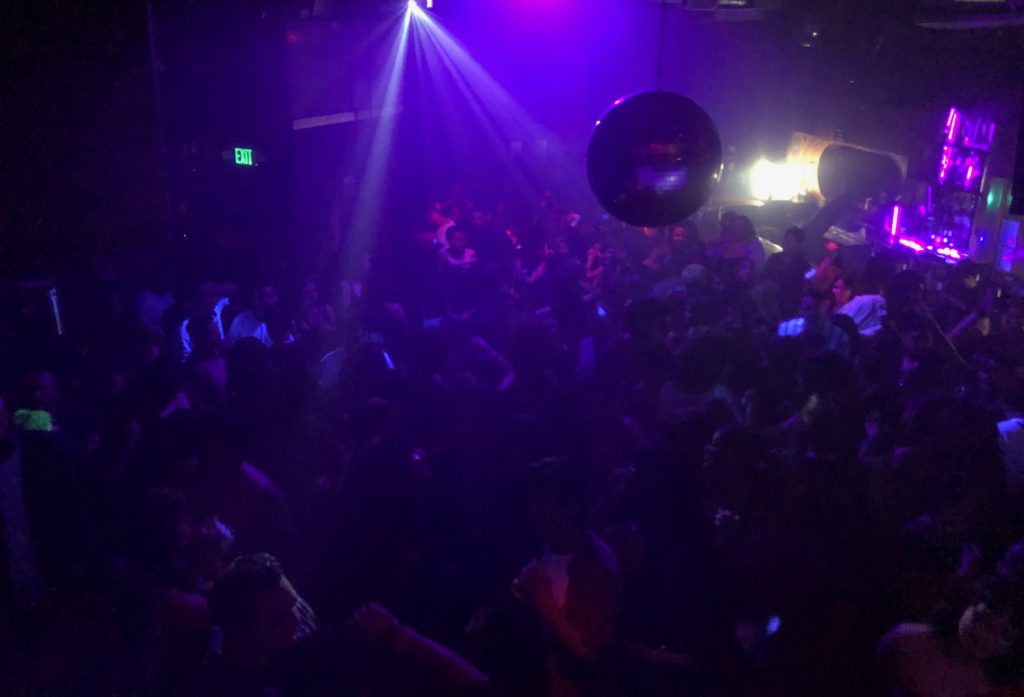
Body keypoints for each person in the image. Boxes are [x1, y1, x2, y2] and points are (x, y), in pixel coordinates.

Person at [514, 457, 621, 697]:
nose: (532, 514)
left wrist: (544, 602)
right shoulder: (538, 544)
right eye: (531, 504)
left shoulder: (596, 564)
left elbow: (593, 652)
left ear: (570, 508)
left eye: (542, 506)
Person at [778, 289, 851, 356]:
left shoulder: (840, 336)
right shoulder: (788, 330)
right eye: (807, 309)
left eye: (817, 308)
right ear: (799, 310)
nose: (812, 312)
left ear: (825, 306)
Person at [762, 227, 811, 319]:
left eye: (790, 241)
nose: (785, 243)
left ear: (798, 244)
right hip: (766, 304)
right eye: (785, 239)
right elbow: (763, 277)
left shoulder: (803, 266)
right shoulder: (774, 258)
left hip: (787, 310)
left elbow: (803, 290)